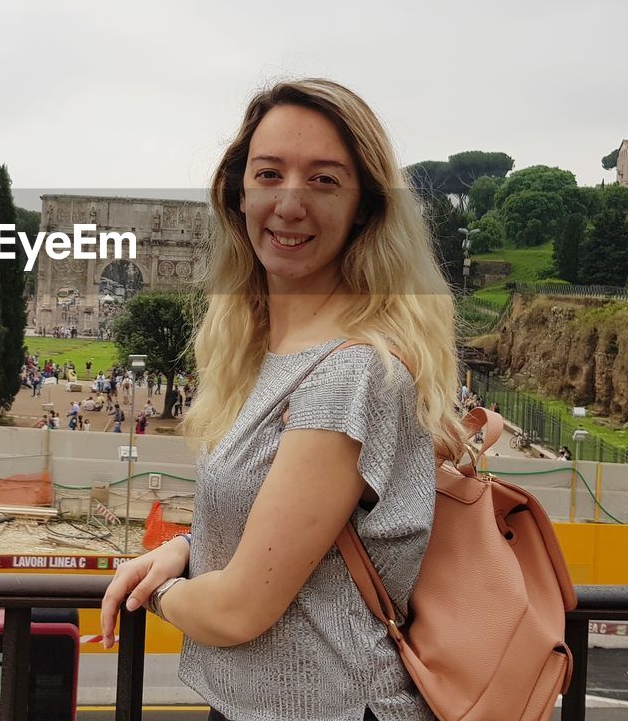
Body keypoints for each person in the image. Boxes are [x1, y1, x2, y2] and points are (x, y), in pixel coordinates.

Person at [100, 79, 464, 721]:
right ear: (240, 193)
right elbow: (293, 532)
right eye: (269, 173)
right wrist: (189, 547)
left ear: (366, 208)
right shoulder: (269, 352)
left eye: (324, 180)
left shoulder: (350, 373)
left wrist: (160, 595)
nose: (290, 203)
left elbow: (239, 609)